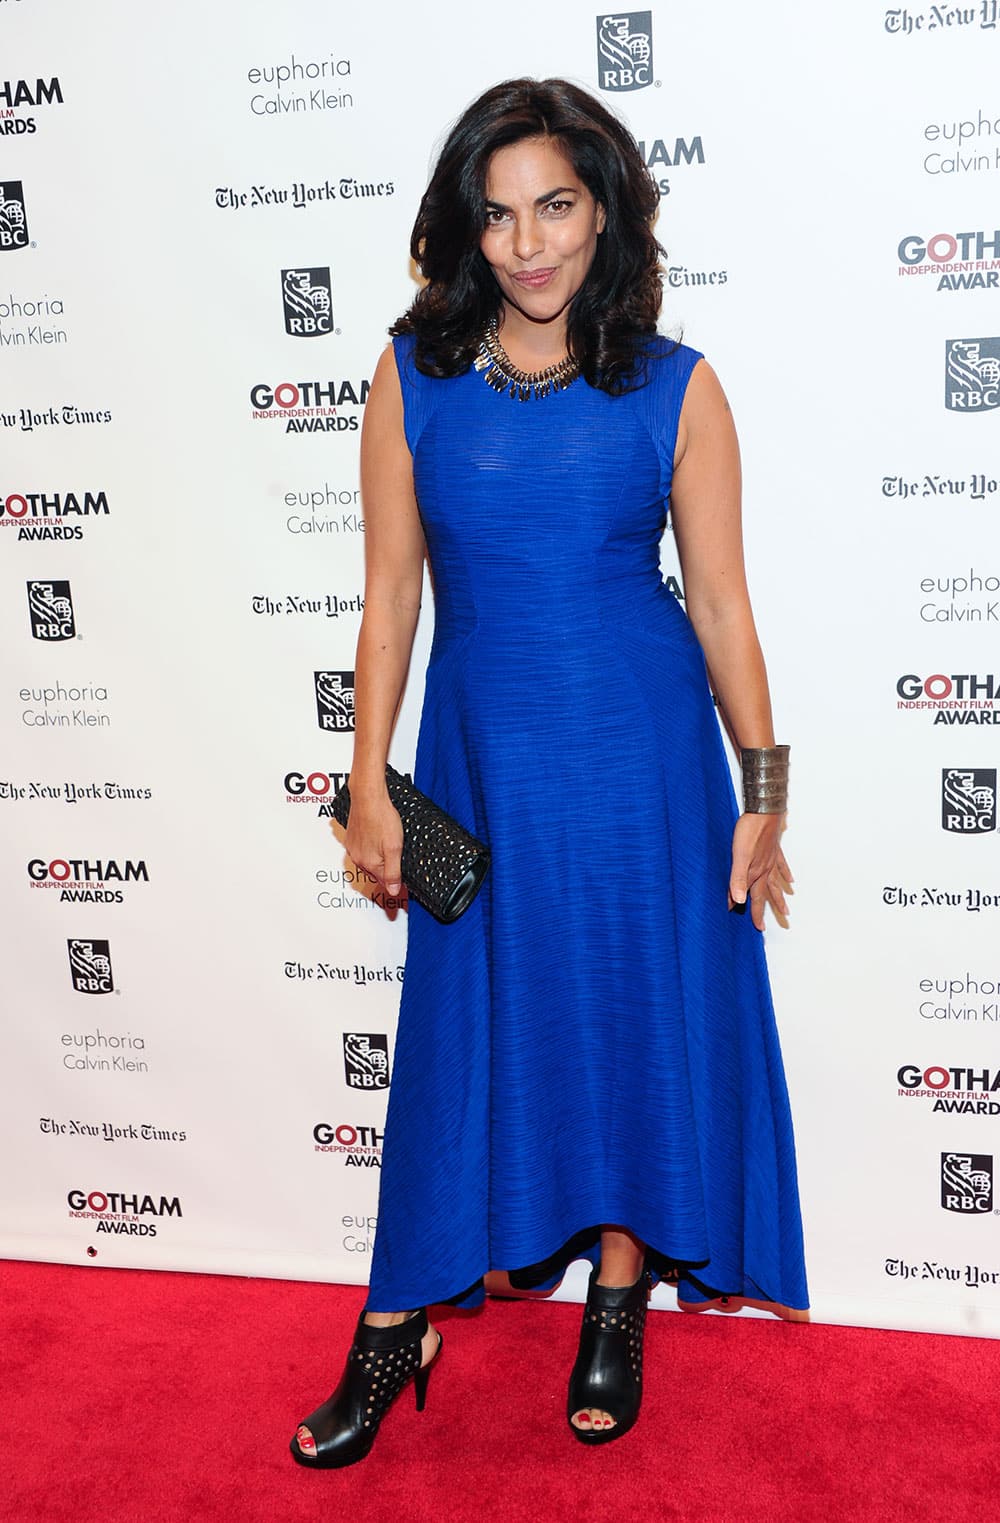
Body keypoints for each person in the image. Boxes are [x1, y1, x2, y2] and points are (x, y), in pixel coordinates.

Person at [290, 76, 808, 1469]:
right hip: (484, 760)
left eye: (557, 207)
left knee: (635, 1019)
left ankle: (619, 1300)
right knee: (466, 1044)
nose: (528, 243)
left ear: (606, 215)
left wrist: (762, 798)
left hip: (642, 768)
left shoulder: (677, 391)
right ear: (467, 227)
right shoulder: (413, 379)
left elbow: (721, 609)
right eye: (500, 212)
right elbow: (389, 600)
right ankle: (398, 1322)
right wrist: (366, 778)